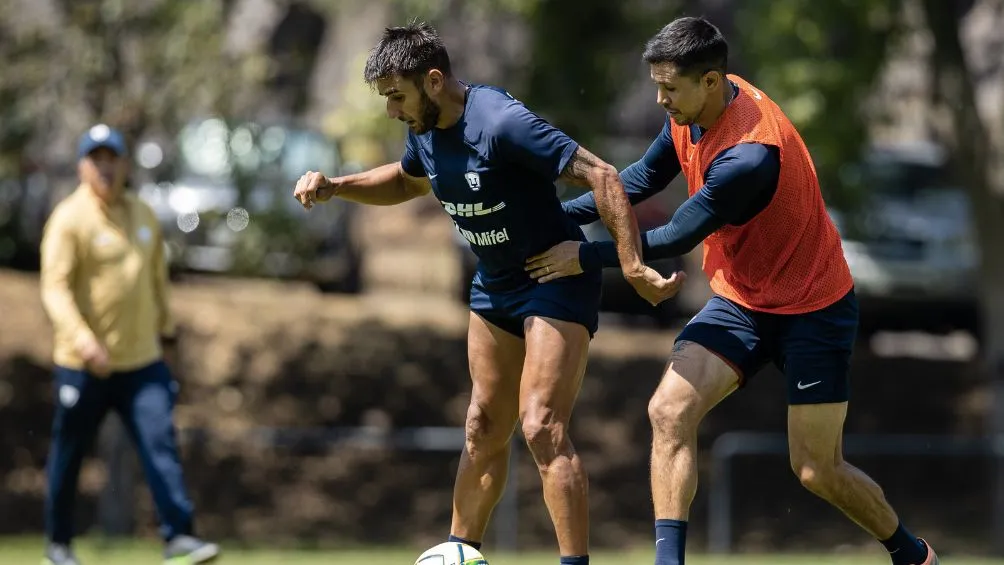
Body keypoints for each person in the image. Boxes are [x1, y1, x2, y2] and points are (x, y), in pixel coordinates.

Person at [526, 17, 939, 565]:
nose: (661, 100)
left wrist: (581, 255)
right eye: (658, 86)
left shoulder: (750, 154)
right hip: (741, 301)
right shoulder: (692, 111)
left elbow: (677, 234)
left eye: (670, 89)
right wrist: (555, 219)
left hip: (813, 308)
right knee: (668, 411)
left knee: (817, 469)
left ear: (711, 81)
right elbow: (640, 180)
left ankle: (912, 555)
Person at [293, 20, 681, 564]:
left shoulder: (500, 122)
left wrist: (632, 264)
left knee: (541, 426)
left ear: (433, 81)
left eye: (396, 96)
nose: (391, 111)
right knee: (482, 424)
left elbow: (603, 175)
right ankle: (460, 552)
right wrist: (338, 186)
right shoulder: (425, 127)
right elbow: (407, 180)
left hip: (554, 278)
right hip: (495, 283)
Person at [39, 124, 220, 565]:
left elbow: (157, 281)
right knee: (70, 453)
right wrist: (84, 341)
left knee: (161, 444)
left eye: (112, 159)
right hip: (84, 363)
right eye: (96, 159)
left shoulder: (142, 214)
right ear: (82, 167)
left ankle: (179, 537)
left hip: (142, 360)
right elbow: (55, 289)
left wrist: (167, 334)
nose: (105, 167)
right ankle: (58, 546)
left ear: (123, 164)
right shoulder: (69, 219)